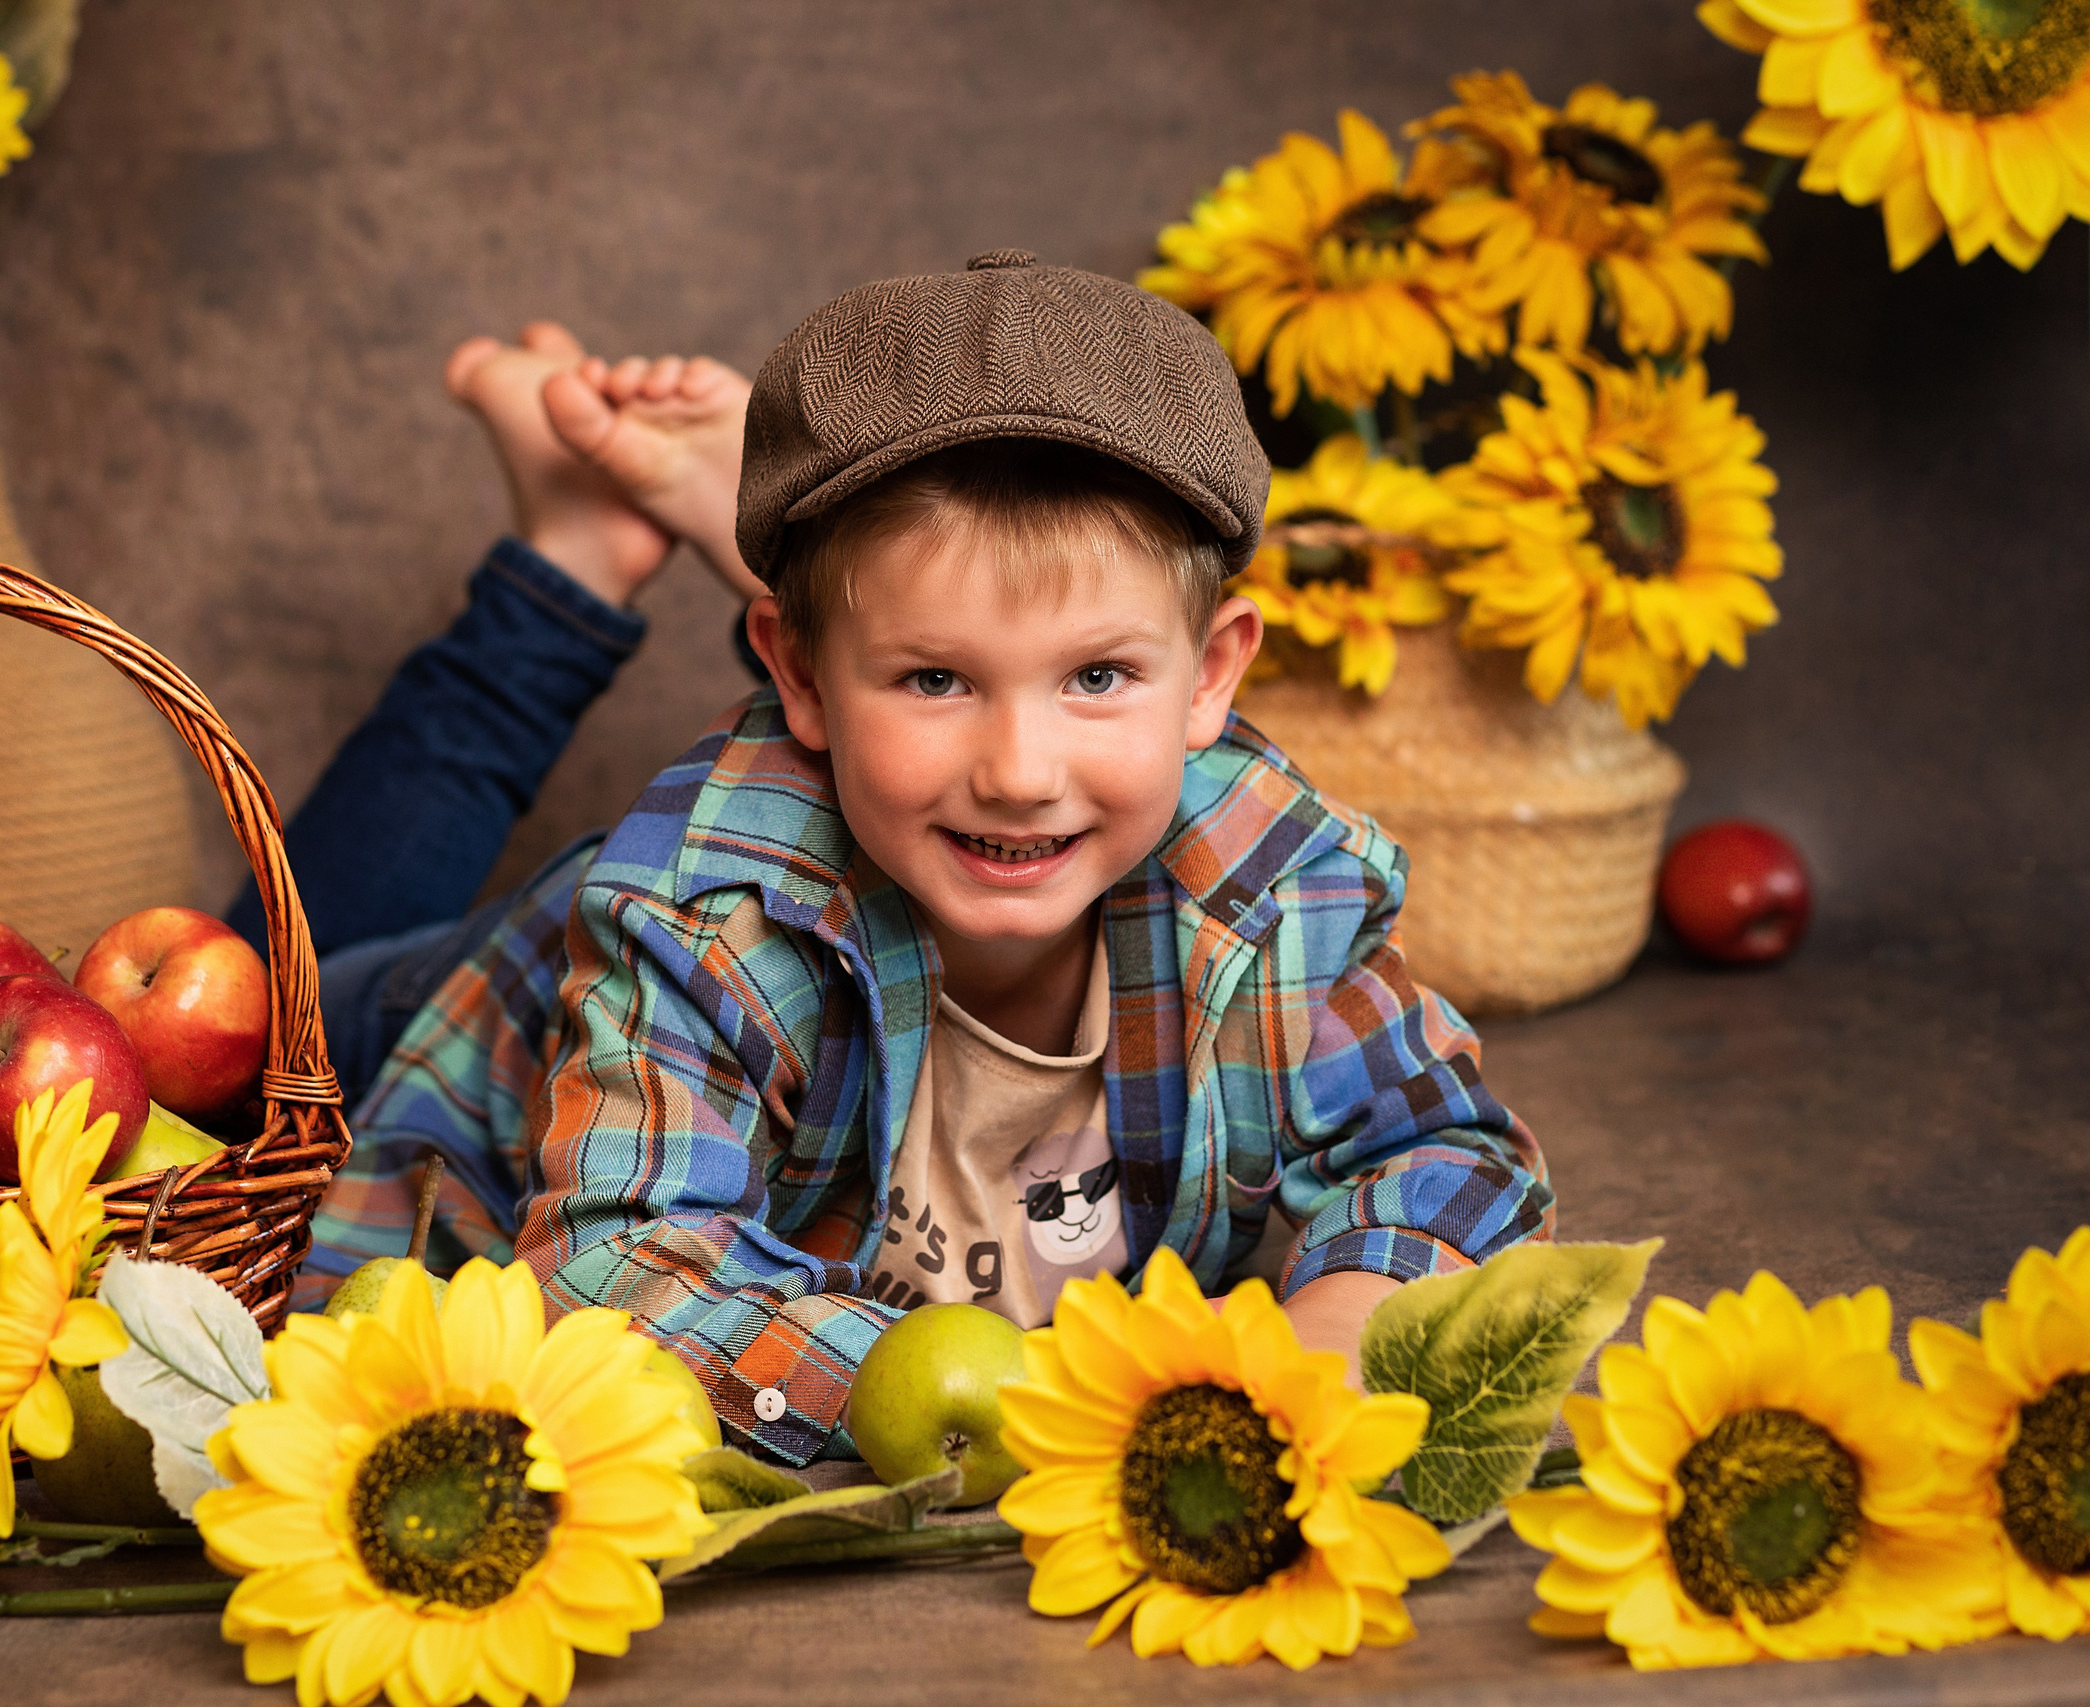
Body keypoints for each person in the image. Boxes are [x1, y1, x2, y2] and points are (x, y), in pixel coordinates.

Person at [251, 255, 1551, 1466]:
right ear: (794, 675)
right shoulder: (701, 923)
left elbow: (1451, 1153)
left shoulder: (1263, 892)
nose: (1024, 771)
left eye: (1099, 675)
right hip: (496, 1003)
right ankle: (572, 555)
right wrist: (1054, 1403)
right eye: (941, 677)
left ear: (1212, 677)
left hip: (828, 807)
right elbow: (618, 1280)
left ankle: (793, 573)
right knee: (253, 976)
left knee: (920, 710)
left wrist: (1348, 1312)